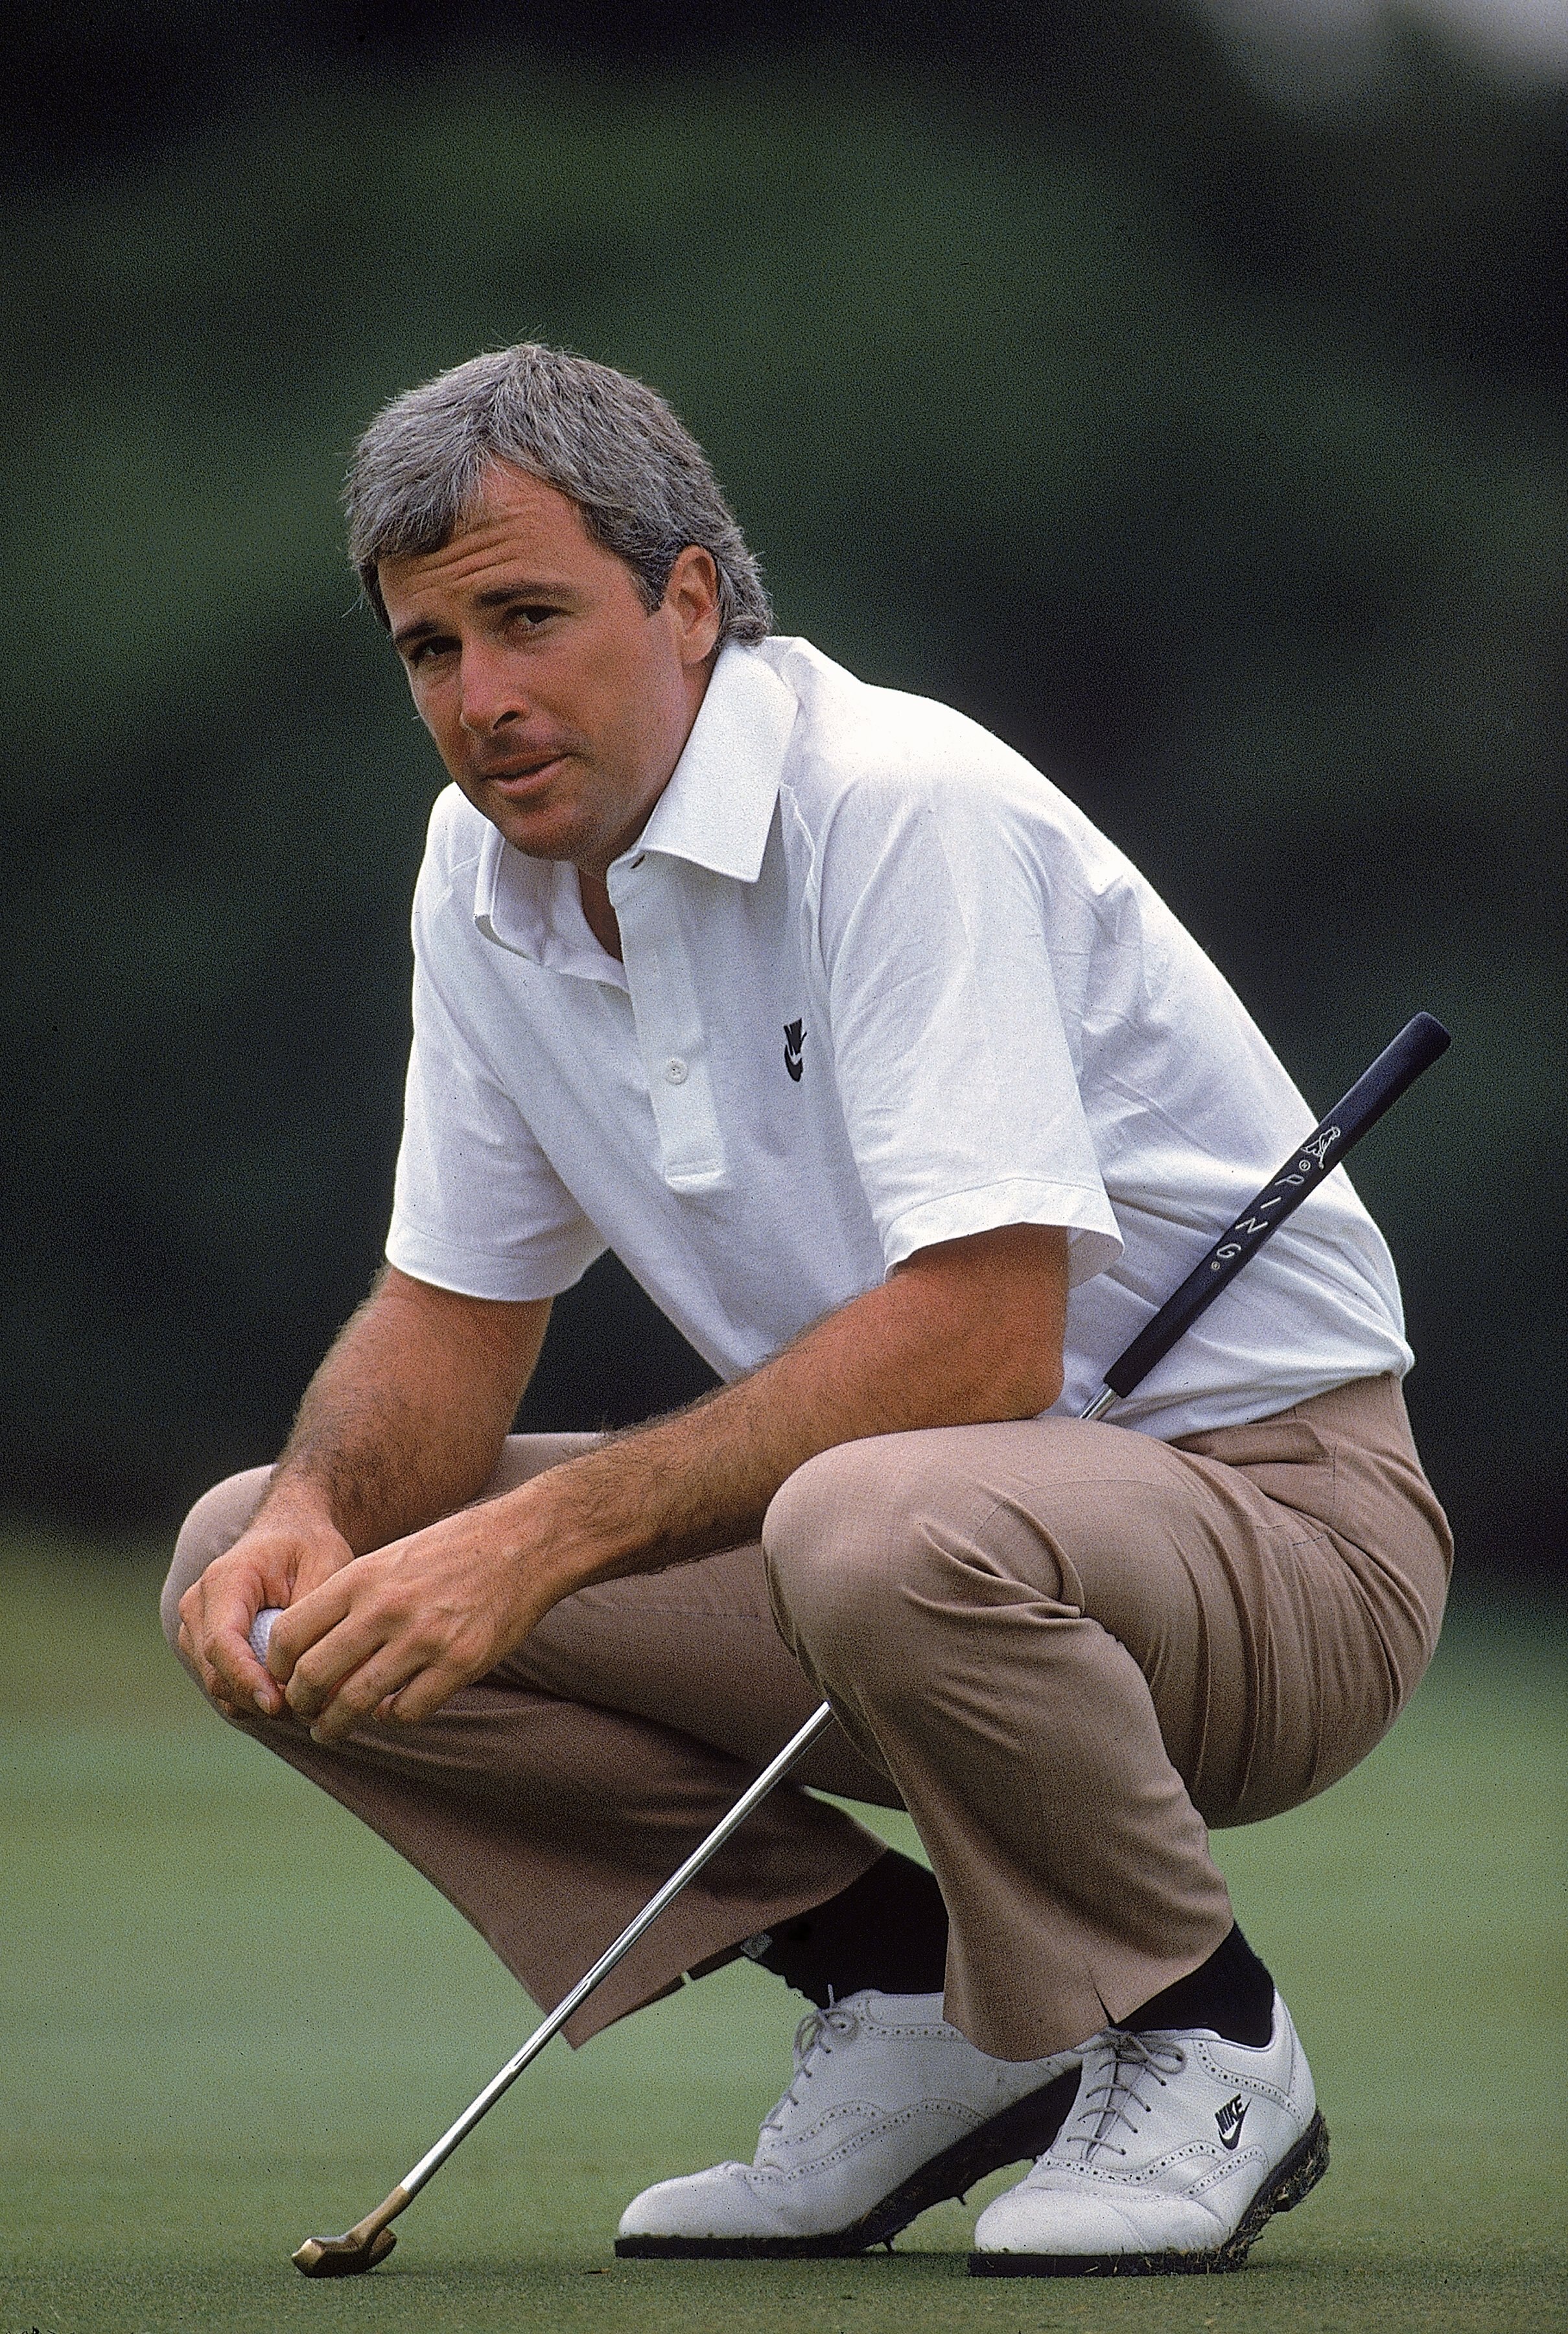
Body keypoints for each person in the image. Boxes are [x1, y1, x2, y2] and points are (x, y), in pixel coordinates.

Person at [164, 343, 1451, 2277]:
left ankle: (1204, 2035)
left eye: (527, 617)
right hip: (925, 1548)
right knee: (267, 1562)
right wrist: (316, 1513)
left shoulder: (896, 800)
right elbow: (444, 1317)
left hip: (1278, 1537)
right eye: (430, 650)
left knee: (866, 1512)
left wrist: (538, 1538)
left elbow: (983, 1342)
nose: (482, 700)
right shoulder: (486, 872)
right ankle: (909, 1996)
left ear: (688, 598)